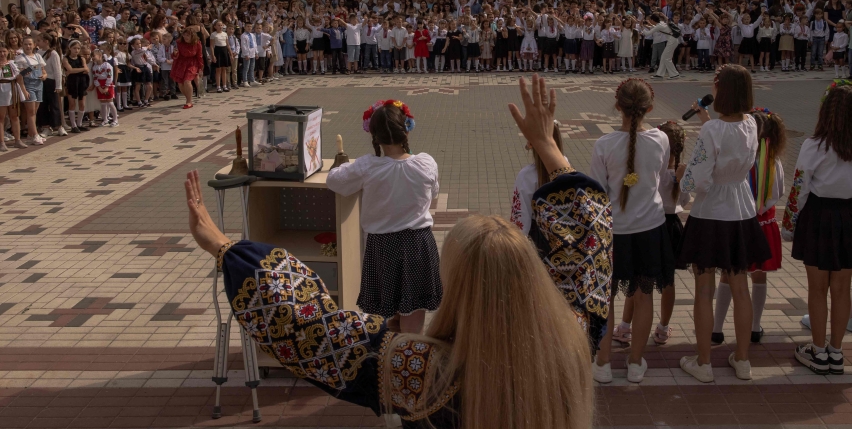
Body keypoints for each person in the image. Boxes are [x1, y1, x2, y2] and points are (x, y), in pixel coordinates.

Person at [183, 76, 605, 429]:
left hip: (384, 245)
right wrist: (548, 148)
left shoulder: (420, 371)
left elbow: (307, 328)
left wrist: (224, 247)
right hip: (413, 240)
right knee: (410, 310)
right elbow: (590, 248)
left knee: (389, 316)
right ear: (533, 276)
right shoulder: (569, 339)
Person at [677, 64, 771, 383]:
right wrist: (707, 122)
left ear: (722, 90)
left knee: (704, 289)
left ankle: (704, 362)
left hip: (710, 211)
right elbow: (727, 144)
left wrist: (682, 181)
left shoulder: (712, 130)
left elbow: (699, 179)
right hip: (741, 208)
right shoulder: (752, 124)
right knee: (739, 287)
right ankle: (742, 359)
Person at [782, 80, 852, 375]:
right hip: (851, 217)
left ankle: (818, 349)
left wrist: (789, 224)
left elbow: (800, 186)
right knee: (842, 288)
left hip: (820, 216)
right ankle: (837, 352)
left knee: (817, 288)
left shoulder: (814, 145)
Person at [325, 100, 442, 334]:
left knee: (383, 316)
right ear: (406, 129)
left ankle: (385, 360)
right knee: (413, 313)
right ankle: (408, 360)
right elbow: (434, 196)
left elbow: (334, 180)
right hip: (418, 243)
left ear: (374, 136)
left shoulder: (367, 166)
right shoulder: (426, 162)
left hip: (383, 246)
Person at [590, 79, 675, 384]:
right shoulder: (661, 139)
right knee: (643, 296)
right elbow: (660, 174)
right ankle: (636, 362)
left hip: (613, 231)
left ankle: (602, 363)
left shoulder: (603, 144)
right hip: (650, 228)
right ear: (650, 107)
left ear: (617, 106)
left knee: (606, 297)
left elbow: (597, 193)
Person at [712, 108, 786, 344]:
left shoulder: (738, 159)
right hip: (762, 224)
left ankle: (716, 328)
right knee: (759, 277)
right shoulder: (774, 161)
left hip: (738, 222)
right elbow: (777, 193)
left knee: (727, 275)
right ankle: (754, 327)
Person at [613, 120, 689, 349]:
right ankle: (663, 329)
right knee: (668, 282)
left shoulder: (652, 172)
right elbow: (684, 200)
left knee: (638, 281)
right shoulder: (679, 173)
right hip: (672, 226)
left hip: (650, 226)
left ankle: (625, 326)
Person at [510, 123, 565, 234]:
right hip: (567, 236)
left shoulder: (527, 176)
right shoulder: (568, 167)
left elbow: (520, 217)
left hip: (540, 238)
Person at [14, 36, 47, 145]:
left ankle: (30, 134)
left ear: (34, 45)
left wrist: (44, 76)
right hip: (28, 85)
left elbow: (43, 71)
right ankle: (35, 134)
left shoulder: (38, 56)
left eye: (30, 44)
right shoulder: (20, 58)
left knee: (35, 111)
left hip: (39, 84)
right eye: (25, 44)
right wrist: (24, 90)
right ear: (22, 45)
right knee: (31, 112)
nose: (28, 46)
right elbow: (19, 77)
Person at [0, 45, 27, 151]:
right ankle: (1, 142)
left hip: (12, 89)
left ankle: (17, 140)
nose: (2, 54)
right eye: (0, 52)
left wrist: (27, 70)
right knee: (1, 117)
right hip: (1, 89)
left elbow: (18, 77)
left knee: (14, 116)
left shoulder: (11, 63)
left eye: (4, 51)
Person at [172, 26, 204, 109]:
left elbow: (199, 56)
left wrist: (200, 67)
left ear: (192, 36)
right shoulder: (179, 42)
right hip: (181, 63)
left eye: (188, 35)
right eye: (184, 35)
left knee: (187, 81)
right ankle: (188, 98)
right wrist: (175, 53)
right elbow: (174, 55)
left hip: (192, 63)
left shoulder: (197, 43)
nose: (185, 37)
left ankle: (189, 101)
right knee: (180, 83)